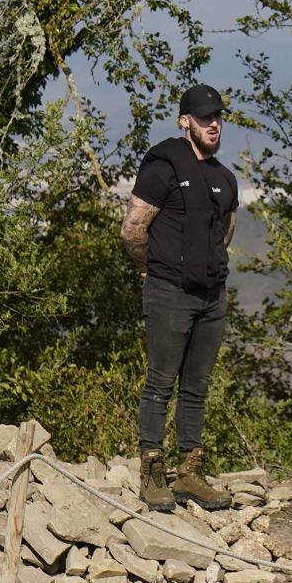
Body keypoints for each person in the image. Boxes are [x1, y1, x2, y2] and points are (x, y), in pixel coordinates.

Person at [120, 83, 239, 513]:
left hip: (211, 295)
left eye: (218, 117)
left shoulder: (225, 177)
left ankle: (191, 473)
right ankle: (152, 473)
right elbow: (133, 229)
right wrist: (152, 266)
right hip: (169, 290)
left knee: (197, 387)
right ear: (185, 121)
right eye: (205, 117)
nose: (214, 124)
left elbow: (225, 231)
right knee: (160, 383)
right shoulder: (163, 165)